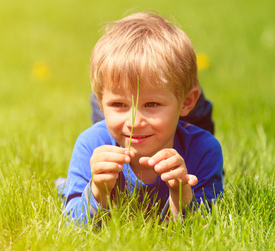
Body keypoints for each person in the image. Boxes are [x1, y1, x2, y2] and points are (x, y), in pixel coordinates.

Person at [57, 12, 223, 225]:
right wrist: (97, 190)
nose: (134, 122)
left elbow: (205, 231)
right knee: (75, 187)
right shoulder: (91, 146)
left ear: (186, 102)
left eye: (152, 104)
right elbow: (73, 226)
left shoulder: (203, 151)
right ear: (101, 102)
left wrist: (181, 196)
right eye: (118, 104)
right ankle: (67, 184)